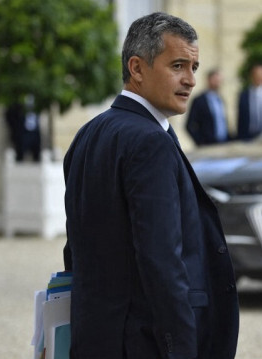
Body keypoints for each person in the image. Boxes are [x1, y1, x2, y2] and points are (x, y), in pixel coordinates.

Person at [63, 12, 239, 359]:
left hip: (95, 340)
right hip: (143, 344)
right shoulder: (149, 142)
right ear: (137, 68)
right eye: (177, 65)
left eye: (194, 68)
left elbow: (76, 252)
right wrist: (182, 349)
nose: (190, 80)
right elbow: (162, 262)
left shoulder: (88, 133)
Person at [185, 68, 230, 145]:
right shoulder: (199, 100)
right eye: (215, 79)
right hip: (208, 144)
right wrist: (200, 142)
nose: (218, 82)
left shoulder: (221, 99)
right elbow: (190, 125)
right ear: (209, 80)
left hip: (224, 142)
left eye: (219, 80)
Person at [4, 95, 41, 162]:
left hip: (34, 134)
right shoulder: (20, 111)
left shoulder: (36, 111)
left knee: (36, 154)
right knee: (20, 153)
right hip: (24, 134)